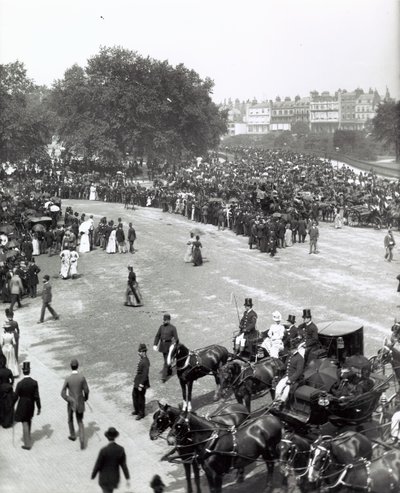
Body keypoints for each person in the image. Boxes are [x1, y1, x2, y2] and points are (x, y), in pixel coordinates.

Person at [61, 358, 90, 450]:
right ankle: (82, 440)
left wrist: (68, 399)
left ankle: (72, 435)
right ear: (78, 366)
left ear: (71, 367)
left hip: (71, 403)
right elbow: (86, 390)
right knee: (80, 421)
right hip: (80, 401)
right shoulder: (82, 377)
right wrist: (85, 398)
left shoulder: (68, 378)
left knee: (70, 419)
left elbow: (62, 392)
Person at [91, 426, 130, 493]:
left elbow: (98, 465)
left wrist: (93, 476)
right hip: (114, 479)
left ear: (107, 437)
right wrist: (127, 478)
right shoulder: (120, 449)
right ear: (115, 437)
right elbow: (124, 465)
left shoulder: (103, 450)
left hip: (104, 479)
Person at [14, 361, 41, 450]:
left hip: (22, 405)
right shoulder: (34, 383)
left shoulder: (20, 383)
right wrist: (39, 407)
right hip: (31, 404)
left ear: (23, 371)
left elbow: (16, 396)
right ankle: (28, 435)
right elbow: (37, 396)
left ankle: (27, 444)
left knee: (24, 423)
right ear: (29, 371)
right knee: (29, 419)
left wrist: (11, 405)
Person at [274, 337, 305, 405]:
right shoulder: (290, 356)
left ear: (294, 349)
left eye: (290, 350)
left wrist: (290, 379)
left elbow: (299, 371)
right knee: (278, 387)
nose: (288, 351)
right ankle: (277, 401)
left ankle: (282, 402)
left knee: (286, 390)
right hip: (286, 376)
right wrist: (279, 368)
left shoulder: (300, 358)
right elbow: (285, 366)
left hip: (294, 379)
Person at [153, 314, 179, 383]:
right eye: (163, 319)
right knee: (166, 359)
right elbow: (157, 336)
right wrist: (155, 344)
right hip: (162, 346)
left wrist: (174, 345)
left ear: (168, 320)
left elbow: (176, 338)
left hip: (169, 346)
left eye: (165, 320)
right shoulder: (161, 327)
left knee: (166, 361)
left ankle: (163, 377)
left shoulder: (173, 328)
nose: (163, 321)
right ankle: (169, 371)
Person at [132, 343, 150, 420]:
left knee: (140, 398)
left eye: (140, 352)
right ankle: (137, 410)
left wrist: (141, 385)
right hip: (137, 382)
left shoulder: (146, 361)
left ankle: (141, 413)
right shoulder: (142, 359)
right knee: (134, 395)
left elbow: (145, 375)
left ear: (143, 352)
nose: (138, 353)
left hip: (141, 383)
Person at [0, 355, 14, 428]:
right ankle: (9, 422)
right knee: (9, 406)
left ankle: (2, 421)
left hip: (1, 391)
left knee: (2, 406)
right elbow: (12, 380)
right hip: (8, 390)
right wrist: (10, 385)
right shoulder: (9, 371)